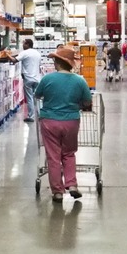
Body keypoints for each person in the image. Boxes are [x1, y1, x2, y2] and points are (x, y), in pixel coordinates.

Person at [35, 48, 92, 203]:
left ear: (58, 62)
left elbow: (37, 95)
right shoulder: (80, 80)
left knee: (53, 157)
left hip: (49, 121)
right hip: (71, 121)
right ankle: (72, 185)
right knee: (68, 153)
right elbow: (87, 101)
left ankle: (58, 192)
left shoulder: (47, 79)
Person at [8, 39, 41, 122]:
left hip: (28, 79)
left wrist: (7, 54)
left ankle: (31, 116)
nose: (22, 45)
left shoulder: (25, 52)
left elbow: (14, 60)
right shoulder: (37, 53)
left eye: (23, 43)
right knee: (37, 97)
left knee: (29, 98)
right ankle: (40, 115)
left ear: (28, 44)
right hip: (37, 78)